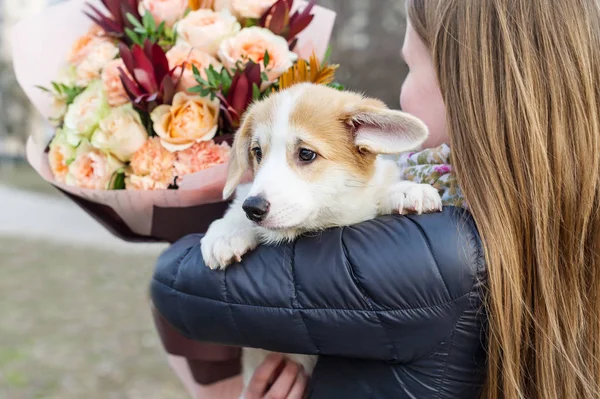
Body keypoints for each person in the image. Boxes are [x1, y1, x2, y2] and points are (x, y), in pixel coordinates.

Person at [151, 0, 600, 397]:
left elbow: (177, 286)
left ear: (465, 86)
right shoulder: (534, 215)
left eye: (409, 67)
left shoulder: (438, 252)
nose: (398, 90)